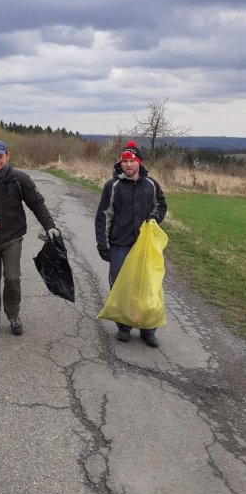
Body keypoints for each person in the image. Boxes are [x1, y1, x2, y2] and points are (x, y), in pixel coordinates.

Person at [0, 139, 60, 337]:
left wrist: (50, 226)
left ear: (7, 156)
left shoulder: (20, 179)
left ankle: (13, 315)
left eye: (0, 157)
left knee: (12, 278)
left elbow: (37, 204)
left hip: (12, 237)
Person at [95, 141, 167, 347]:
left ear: (139, 162)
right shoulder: (113, 186)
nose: (128, 165)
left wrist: (154, 217)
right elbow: (103, 216)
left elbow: (161, 204)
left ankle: (148, 329)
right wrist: (103, 244)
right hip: (120, 244)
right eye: (124, 161)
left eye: (132, 161)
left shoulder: (151, 185)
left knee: (147, 286)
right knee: (120, 285)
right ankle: (124, 326)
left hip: (145, 246)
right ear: (121, 163)